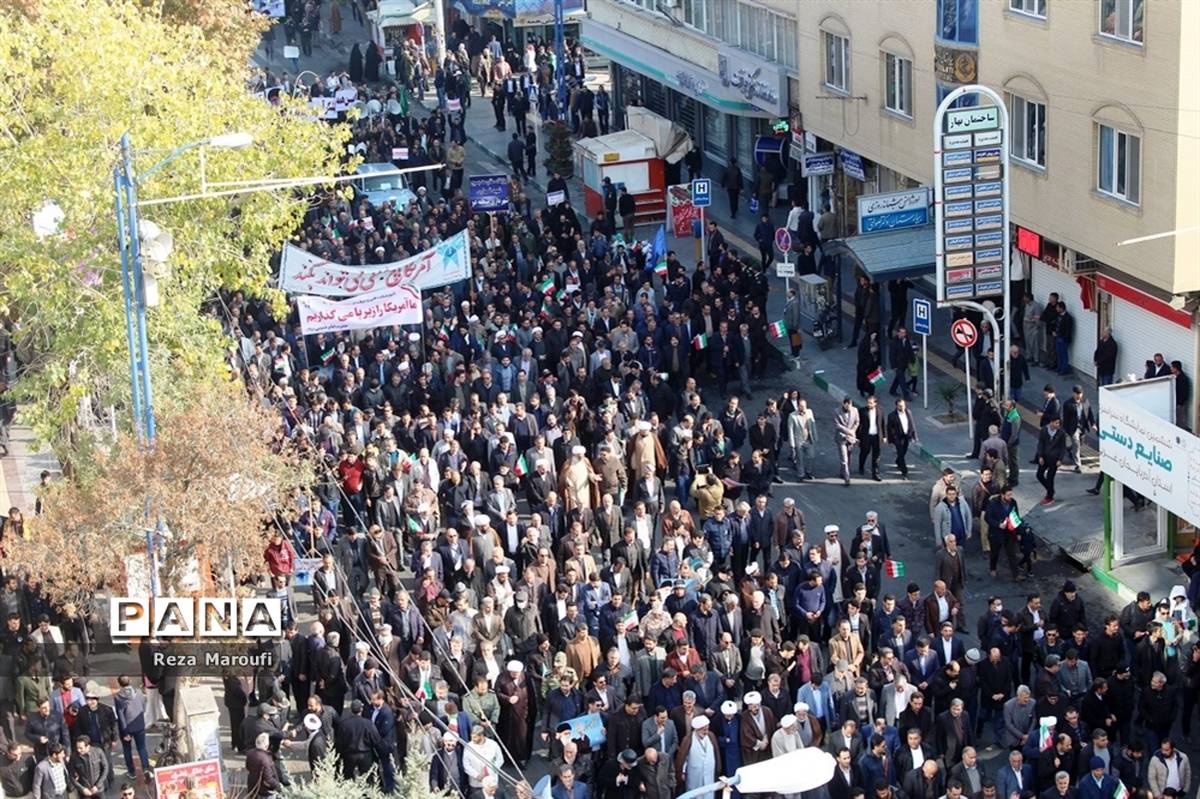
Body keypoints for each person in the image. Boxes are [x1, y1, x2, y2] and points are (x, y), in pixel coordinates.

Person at [1061, 386, 1095, 474]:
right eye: (1077, 394)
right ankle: (1078, 465)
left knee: (1079, 444)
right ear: (1073, 393)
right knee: (1076, 445)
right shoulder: (1068, 404)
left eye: (1080, 394)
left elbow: (1090, 414)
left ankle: (1069, 450)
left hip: (1082, 427)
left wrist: (1093, 424)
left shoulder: (1085, 402)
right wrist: (1066, 430)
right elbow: (1066, 418)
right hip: (1073, 428)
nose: (1078, 396)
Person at [1036, 417, 1067, 505]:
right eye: (1056, 423)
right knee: (1039, 475)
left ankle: (1050, 496)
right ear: (1051, 422)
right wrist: (1040, 456)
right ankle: (1051, 490)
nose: (1058, 425)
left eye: (1059, 423)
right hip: (1045, 457)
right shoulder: (1044, 430)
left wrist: (1060, 459)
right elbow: (1040, 443)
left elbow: (1062, 447)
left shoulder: (1061, 433)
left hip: (1054, 459)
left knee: (1050, 477)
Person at [885, 398, 918, 478]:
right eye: (900, 406)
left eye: (903, 405)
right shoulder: (892, 415)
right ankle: (904, 471)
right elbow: (889, 428)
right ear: (896, 406)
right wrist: (891, 439)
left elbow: (912, 424)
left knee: (904, 451)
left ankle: (898, 461)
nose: (902, 407)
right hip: (898, 437)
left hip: (907, 436)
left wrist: (915, 436)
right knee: (900, 453)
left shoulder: (908, 412)